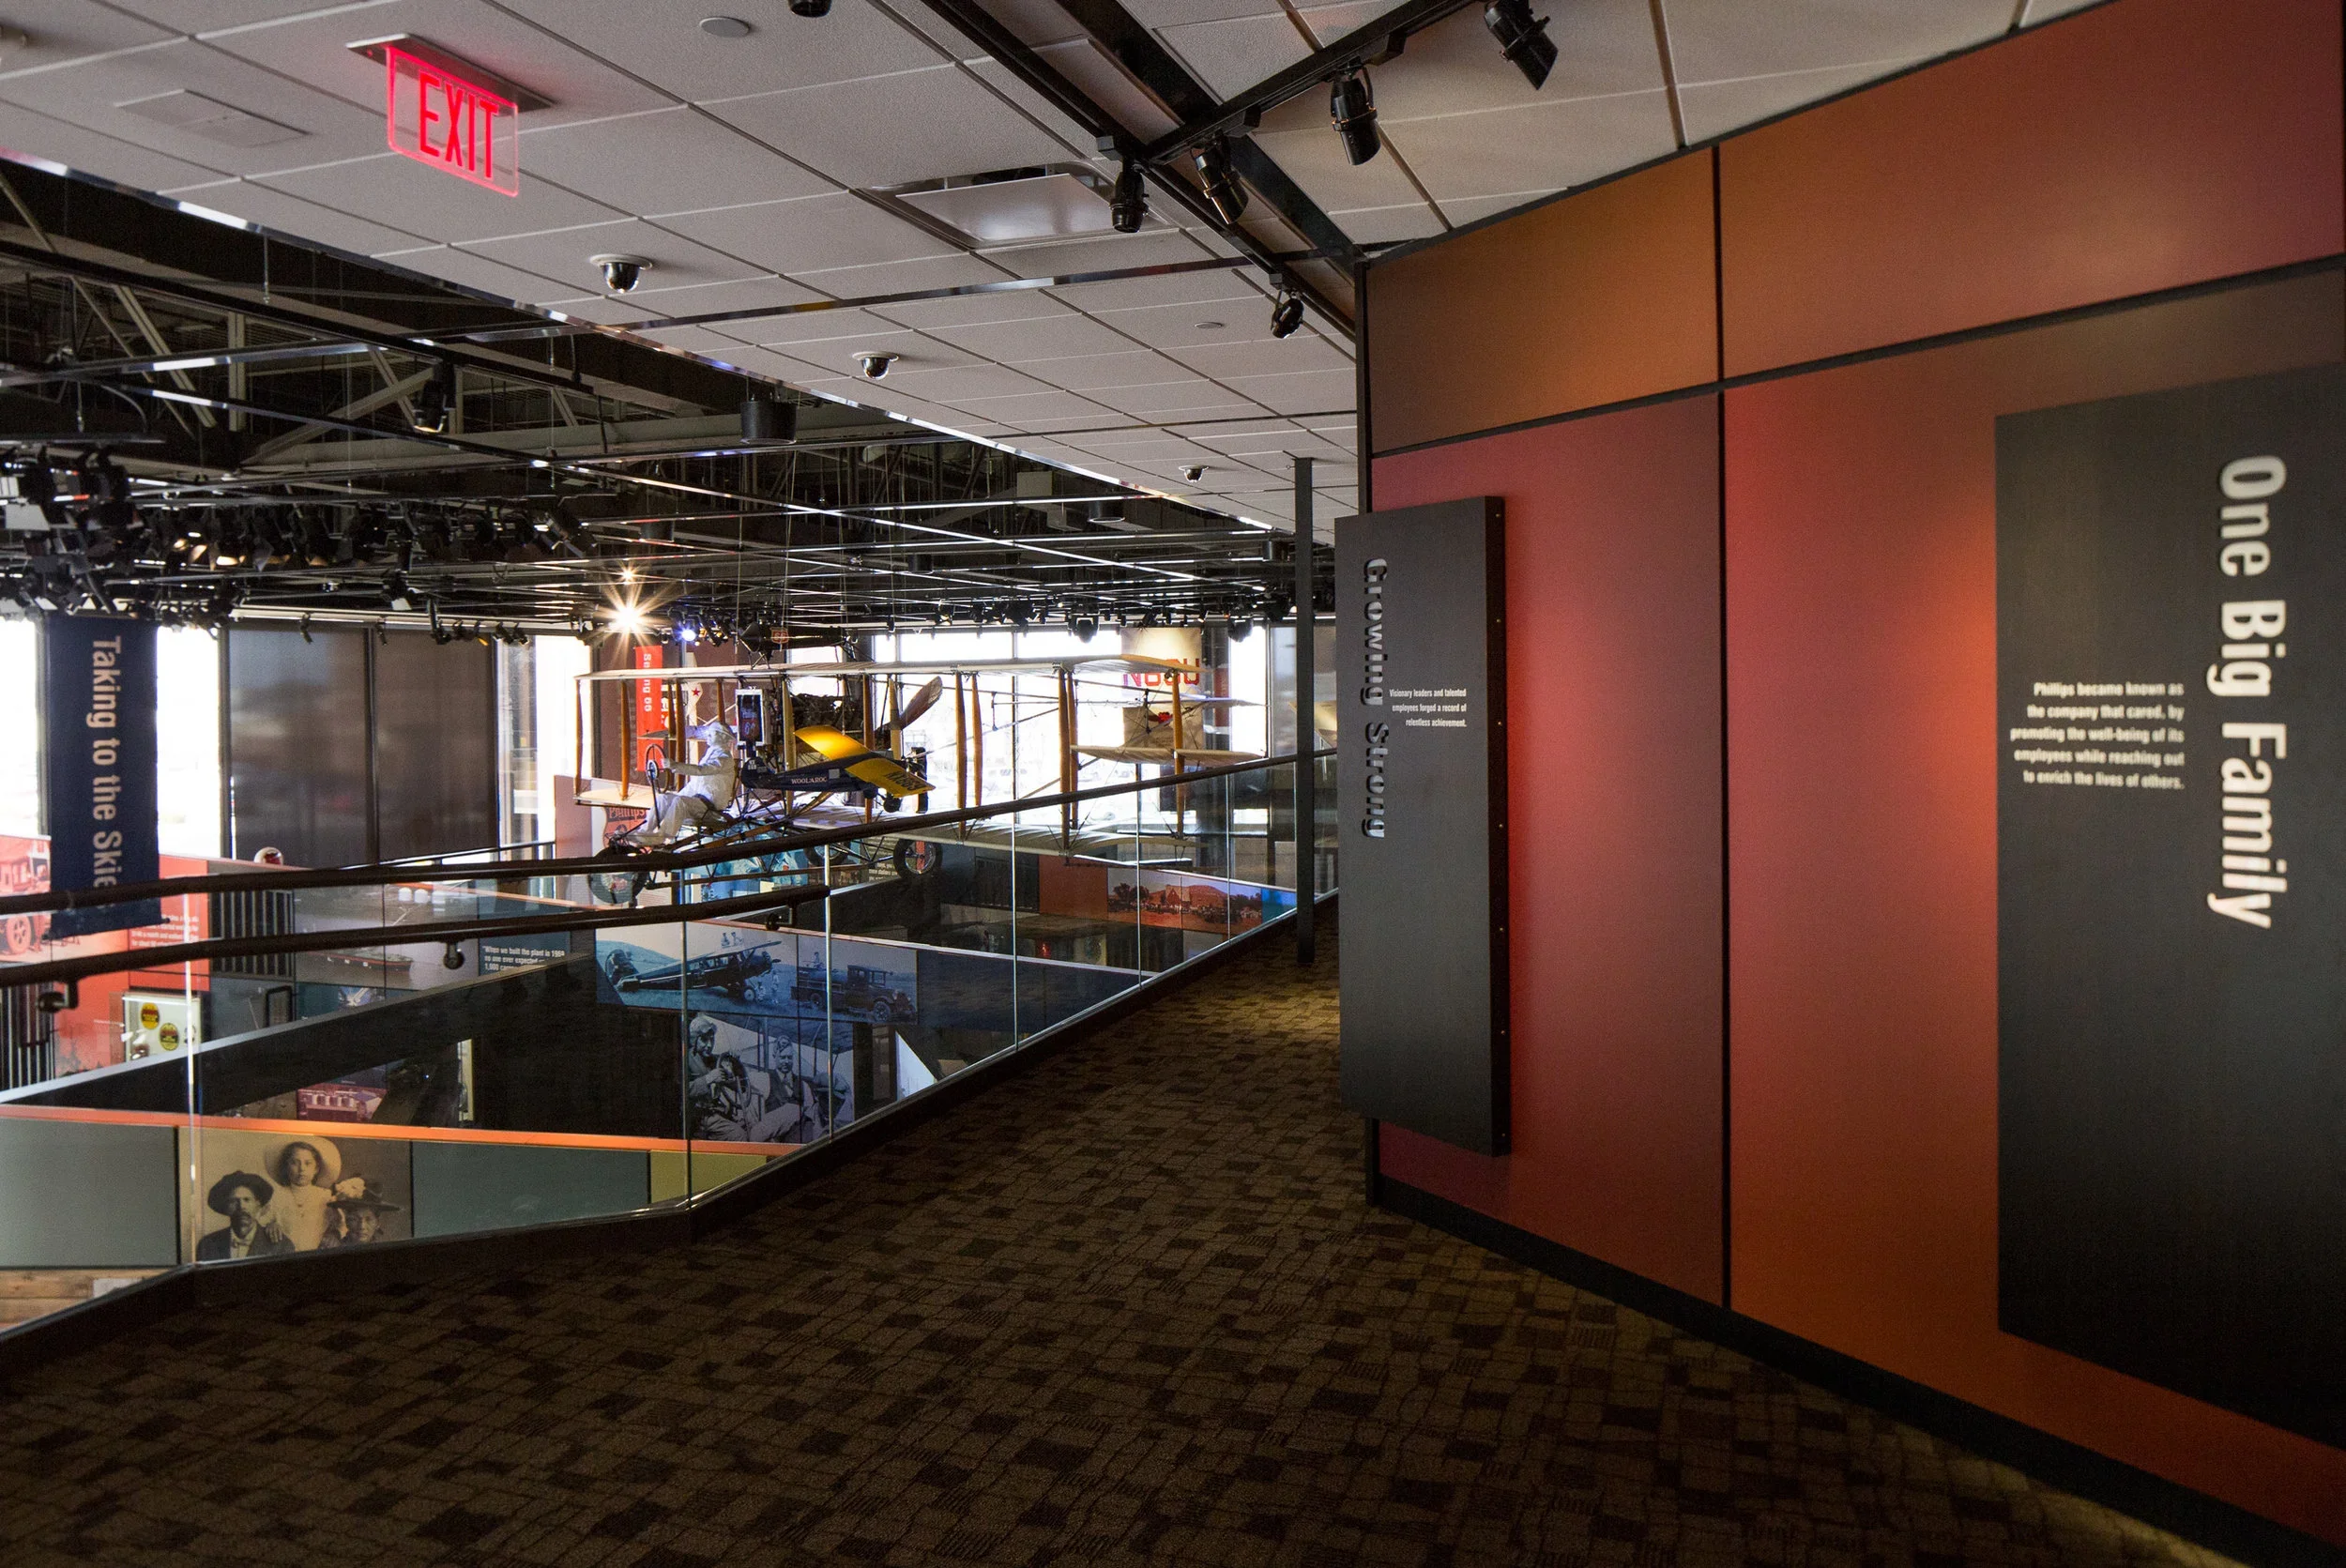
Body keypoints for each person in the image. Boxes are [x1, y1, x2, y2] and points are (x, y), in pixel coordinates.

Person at [637, 687, 739, 848]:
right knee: (664, 798)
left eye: (712, 734)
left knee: (680, 802)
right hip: (698, 802)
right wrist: (674, 798)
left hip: (710, 809)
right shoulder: (710, 753)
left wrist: (676, 766)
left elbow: (702, 771)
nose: (707, 736)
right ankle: (645, 833)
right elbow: (695, 784)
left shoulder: (725, 759)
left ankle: (661, 837)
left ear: (722, 737)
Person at [267, 1136, 343, 1251]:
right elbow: (261, 1221)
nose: (301, 1169)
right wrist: (270, 1225)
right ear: (286, 1167)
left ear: (316, 1169)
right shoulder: (276, 1196)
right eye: (294, 1163)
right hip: (285, 1255)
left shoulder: (325, 1197)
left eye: (308, 1163)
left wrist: (334, 1234)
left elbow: (340, 1225)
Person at [196, 1172, 292, 1261]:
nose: (241, 1206)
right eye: (233, 1201)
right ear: (226, 1207)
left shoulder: (281, 1246)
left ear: (258, 1205)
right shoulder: (208, 1245)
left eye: (247, 1200)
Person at [324, 1178, 403, 1248]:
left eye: (368, 1219)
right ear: (347, 1221)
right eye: (354, 1219)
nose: (362, 1226)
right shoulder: (332, 1247)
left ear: (377, 1223)